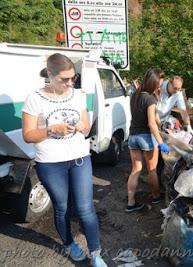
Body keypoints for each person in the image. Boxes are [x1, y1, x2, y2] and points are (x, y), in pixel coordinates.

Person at [22, 53, 107, 267]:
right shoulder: (34, 98)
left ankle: (96, 254)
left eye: (73, 78)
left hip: (79, 159)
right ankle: (70, 244)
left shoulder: (77, 95)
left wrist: (82, 127)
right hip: (50, 163)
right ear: (50, 75)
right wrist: (51, 130)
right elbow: (28, 135)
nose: (70, 83)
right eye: (64, 79)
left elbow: (87, 127)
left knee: (85, 208)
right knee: (62, 207)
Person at [126, 68, 170, 213]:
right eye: (158, 84)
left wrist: (160, 122)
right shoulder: (150, 99)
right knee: (152, 170)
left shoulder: (135, 95)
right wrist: (161, 142)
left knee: (136, 169)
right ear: (152, 83)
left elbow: (155, 118)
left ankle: (130, 203)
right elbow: (152, 123)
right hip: (146, 138)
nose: (159, 87)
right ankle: (156, 195)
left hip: (133, 137)